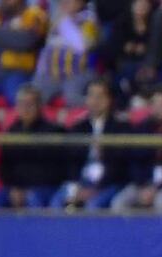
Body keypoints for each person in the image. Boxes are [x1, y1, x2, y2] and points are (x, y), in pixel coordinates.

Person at [50, 78, 129, 210]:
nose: (95, 101)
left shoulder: (121, 127)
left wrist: (96, 188)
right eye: (91, 96)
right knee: (56, 204)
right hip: (79, 182)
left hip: (108, 183)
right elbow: (71, 162)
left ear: (109, 100)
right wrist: (76, 188)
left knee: (93, 206)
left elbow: (120, 166)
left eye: (100, 96)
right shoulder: (78, 128)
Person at [0, 82, 64, 208]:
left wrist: (26, 191)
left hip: (44, 187)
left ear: (40, 106)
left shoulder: (53, 131)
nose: (25, 108)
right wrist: (14, 188)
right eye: (22, 104)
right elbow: (4, 166)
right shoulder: (11, 132)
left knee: (33, 198)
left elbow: (56, 170)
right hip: (15, 188)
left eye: (30, 104)